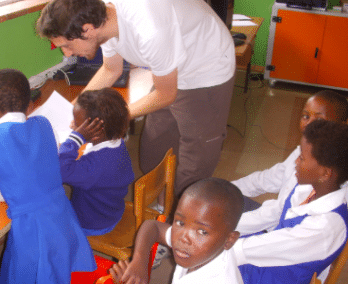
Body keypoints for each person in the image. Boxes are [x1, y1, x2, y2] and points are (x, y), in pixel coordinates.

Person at [36, 0, 236, 206]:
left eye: (66, 46)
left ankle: (178, 211)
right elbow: (110, 69)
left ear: (87, 30)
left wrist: (111, 118)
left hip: (205, 67)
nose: (66, 54)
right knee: (153, 149)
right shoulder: (103, 19)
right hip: (168, 72)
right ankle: (162, 196)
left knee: (196, 158)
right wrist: (73, 108)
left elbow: (166, 94)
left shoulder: (150, 29)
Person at [0, 69, 96, 283]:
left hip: (31, 229)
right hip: (62, 217)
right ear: (30, 105)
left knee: (29, 274)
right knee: (54, 269)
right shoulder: (45, 124)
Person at [235, 119, 348, 283]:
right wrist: (224, 227)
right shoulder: (309, 189)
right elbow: (273, 214)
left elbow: (257, 249)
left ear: (325, 173)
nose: (295, 163)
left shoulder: (326, 227)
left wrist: (213, 246)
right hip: (266, 258)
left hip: (272, 277)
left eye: (302, 158)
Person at [108, 177, 244, 284]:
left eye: (202, 231)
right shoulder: (203, 249)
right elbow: (153, 227)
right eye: (180, 222)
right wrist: (139, 261)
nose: (183, 238)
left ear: (229, 240)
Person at [232, 90, 348, 212]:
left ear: (343, 124)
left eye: (319, 120)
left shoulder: (328, 176)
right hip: (278, 220)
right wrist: (226, 188)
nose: (309, 124)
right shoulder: (304, 150)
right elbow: (269, 178)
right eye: (306, 116)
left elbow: (276, 213)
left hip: (286, 225)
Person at [59, 88, 134, 236]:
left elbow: (61, 170)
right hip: (111, 210)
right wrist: (80, 133)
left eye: (79, 124)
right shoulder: (117, 141)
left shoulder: (95, 166)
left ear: (96, 131)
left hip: (92, 223)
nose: (74, 125)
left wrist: (75, 138)